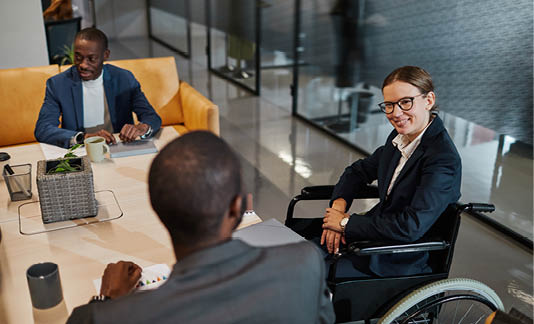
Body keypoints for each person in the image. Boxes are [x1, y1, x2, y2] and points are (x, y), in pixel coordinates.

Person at [66, 131, 335, 324]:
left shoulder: (101, 317)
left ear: (158, 212)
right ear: (238, 208)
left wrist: (108, 301)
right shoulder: (305, 263)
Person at [321, 66, 461, 277]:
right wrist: (338, 210)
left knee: (311, 266)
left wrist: (343, 223)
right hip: (372, 234)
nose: (395, 113)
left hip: (398, 255)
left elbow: (410, 227)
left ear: (429, 100)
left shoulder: (442, 159)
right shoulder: (400, 139)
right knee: (301, 250)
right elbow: (357, 171)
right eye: (389, 105)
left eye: (405, 102)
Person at [34, 27, 161, 148]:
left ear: (105, 55)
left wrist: (142, 128)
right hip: (81, 150)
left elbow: (151, 116)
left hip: (119, 146)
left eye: (91, 59)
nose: (83, 65)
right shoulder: (58, 84)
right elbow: (43, 128)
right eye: (78, 57)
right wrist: (84, 138)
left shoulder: (124, 79)